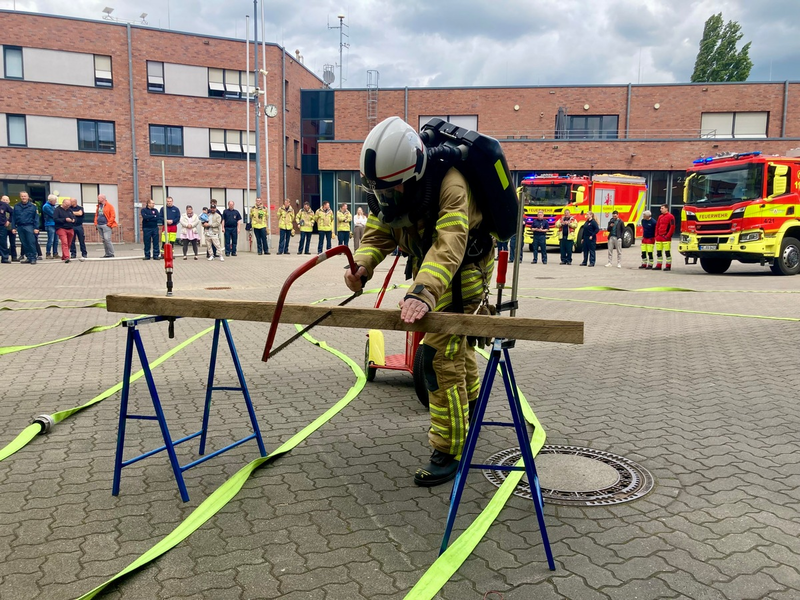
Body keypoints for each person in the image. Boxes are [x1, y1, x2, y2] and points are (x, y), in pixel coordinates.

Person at [345, 116, 495, 487]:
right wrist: (362, 266)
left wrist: (424, 291)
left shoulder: (451, 185)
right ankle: (472, 409)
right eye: (378, 192)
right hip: (434, 275)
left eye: (390, 191)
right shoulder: (391, 189)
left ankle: (449, 449)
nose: (384, 198)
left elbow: (450, 244)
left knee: (436, 360)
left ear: (412, 176)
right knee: (457, 353)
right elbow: (382, 229)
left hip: (464, 276)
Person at [11, 192, 39, 264]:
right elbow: (13, 218)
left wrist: (36, 228)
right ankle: (28, 257)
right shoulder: (16, 206)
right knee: (24, 243)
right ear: (20, 197)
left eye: (25, 196)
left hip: (29, 226)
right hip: (20, 226)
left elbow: (36, 218)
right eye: (22, 196)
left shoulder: (33, 206)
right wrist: (13, 227)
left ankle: (33, 258)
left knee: (31, 242)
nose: (23, 197)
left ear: (28, 197)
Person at [53, 196, 75, 263]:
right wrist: (65, 219)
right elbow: (55, 219)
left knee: (69, 243)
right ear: (63, 203)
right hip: (61, 228)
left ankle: (64, 256)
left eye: (69, 205)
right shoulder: (57, 210)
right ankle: (67, 257)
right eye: (67, 205)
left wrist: (74, 219)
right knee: (64, 242)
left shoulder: (70, 210)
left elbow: (73, 216)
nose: (68, 206)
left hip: (70, 228)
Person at [655, 204, 676, 271]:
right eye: (661, 208)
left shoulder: (671, 217)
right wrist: (656, 235)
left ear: (666, 209)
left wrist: (668, 236)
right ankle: (658, 265)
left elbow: (672, 227)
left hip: (666, 238)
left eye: (662, 208)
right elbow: (657, 226)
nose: (661, 209)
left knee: (667, 252)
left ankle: (668, 265)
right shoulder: (660, 217)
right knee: (659, 252)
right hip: (659, 237)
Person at [0, 195, 11, 264]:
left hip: (1, 226)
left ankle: (4, 258)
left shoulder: (3, 205)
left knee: (3, 242)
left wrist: (8, 221)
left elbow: (12, 212)